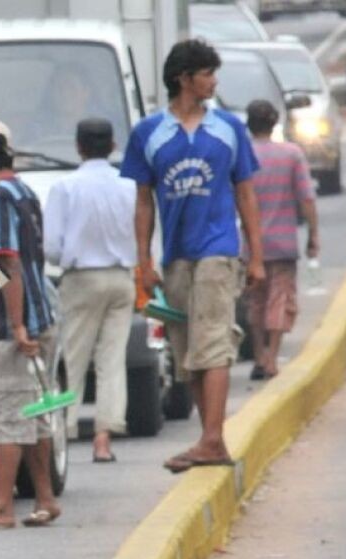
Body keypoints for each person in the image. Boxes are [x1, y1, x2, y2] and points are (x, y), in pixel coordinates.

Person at [119, 39, 264, 474]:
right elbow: (143, 202)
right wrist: (143, 261)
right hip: (176, 255)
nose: (214, 81)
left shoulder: (228, 129)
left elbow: (245, 193)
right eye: (207, 73)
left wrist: (255, 254)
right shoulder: (149, 133)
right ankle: (210, 438)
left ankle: (213, 439)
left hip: (218, 250)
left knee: (214, 342)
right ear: (185, 79)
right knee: (189, 353)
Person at [0, 120, 61, 529]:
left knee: (5, 411)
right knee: (34, 411)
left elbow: (6, 262)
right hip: (44, 314)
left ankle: (1, 506)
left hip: (15, 323)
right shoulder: (20, 190)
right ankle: (45, 497)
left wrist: (17, 326)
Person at [43, 119, 137, 462]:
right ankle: (104, 437)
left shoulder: (65, 187)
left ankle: (64, 430)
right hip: (122, 277)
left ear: (78, 147)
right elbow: (144, 234)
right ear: (113, 145)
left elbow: (51, 247)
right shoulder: (129, 185)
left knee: (73, 357)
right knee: (112, 360)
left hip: (81, 278)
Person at [244, 99, 319, 380]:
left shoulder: (242, 156)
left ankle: (259, 356)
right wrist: (313, 235)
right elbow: (307, 199)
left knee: (255, 302)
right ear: (274, 123)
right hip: (283, 243)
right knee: (279, 299)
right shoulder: (291, 154)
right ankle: (272, 358)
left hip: (250, 247)